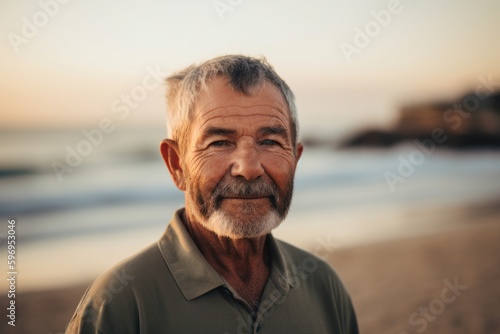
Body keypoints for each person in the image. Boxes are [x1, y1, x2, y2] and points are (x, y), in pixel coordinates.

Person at [66, 55, 358, 334]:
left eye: (270, 141)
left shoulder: (324, 286)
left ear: (295, 158)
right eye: (219, 142)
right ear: (176, 164)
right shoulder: (118, 305)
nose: (248, 168)